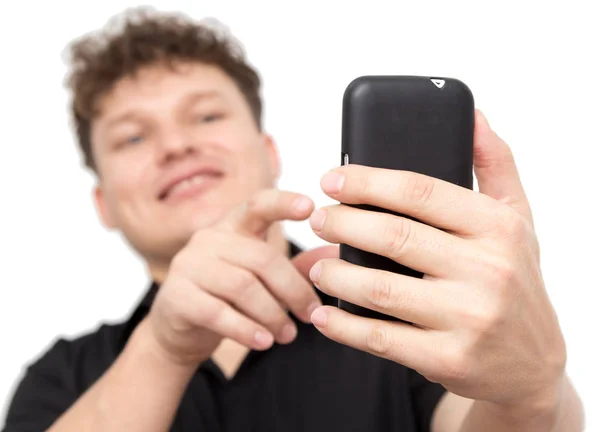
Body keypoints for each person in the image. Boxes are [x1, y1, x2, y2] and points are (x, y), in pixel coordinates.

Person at [2, 7, 585, 432]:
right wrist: (164, 347)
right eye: (132, 136)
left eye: (205, 116)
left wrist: (532, 395)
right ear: (103, 203)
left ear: (270, 152)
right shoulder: (60, 376)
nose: (176, 146)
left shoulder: (403, 324)